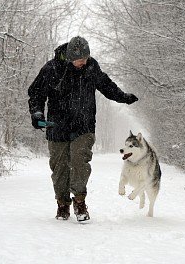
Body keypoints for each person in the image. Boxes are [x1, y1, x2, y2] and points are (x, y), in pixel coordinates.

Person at [28, 36, 138, 222]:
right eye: (80, 59)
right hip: (57, 125)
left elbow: (106, 86)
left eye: (86, 58)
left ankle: (79, 202)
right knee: (59, 167)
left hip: (84, 125)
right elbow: (36, 92)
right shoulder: (52, 68)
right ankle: (62, 204)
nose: (83, 62)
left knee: (80, 162)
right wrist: (37, 114)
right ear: (70, 56)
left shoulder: (91, 67)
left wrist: (123, 97)